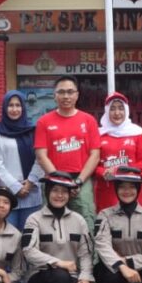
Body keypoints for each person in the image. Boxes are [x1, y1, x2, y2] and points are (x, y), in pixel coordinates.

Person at [22, 172, 100, 283]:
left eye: (64, 191)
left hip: (71, 277)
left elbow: (86, 253)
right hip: (40, 277)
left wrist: (85, 277)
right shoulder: (34, 219)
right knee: (59, 275)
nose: (59, 195)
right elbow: (29, 251)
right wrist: (57, 262)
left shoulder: (79, 220)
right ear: (47, 192)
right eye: (55, 190)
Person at [34, 75, 101, 230]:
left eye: (70, 92)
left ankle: (88, 248)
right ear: (54, 95)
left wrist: (79, 181)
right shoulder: (44, 121)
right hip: (53, 180)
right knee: (50, 224)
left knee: (86, 223)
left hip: (81, 181)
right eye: (61, 92)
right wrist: (59, 181)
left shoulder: (89, 120)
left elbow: (95, 155)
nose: (66, 96)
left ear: (77, 95)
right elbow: (41, 155)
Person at [0, 90, 45, 231]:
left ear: (23, 107)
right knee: (7, 236)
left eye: (18, 105)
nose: (14, 109)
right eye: (10, 105)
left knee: (29, 236)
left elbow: (41, 158)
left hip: (31, 193)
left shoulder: (33, 130)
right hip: (6, 194)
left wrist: (30, 182)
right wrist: (16, 187)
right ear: (4, 107)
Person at [94, 92, 142, 211]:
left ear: (126, 110)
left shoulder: (138, 133)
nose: (117, 113)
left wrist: (120, 171)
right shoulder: (98, 134)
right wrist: (103, 172)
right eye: (112, 109)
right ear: (107, 111)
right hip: (106, 192)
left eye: (121, 108)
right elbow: (92, 164)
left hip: (132, 191)